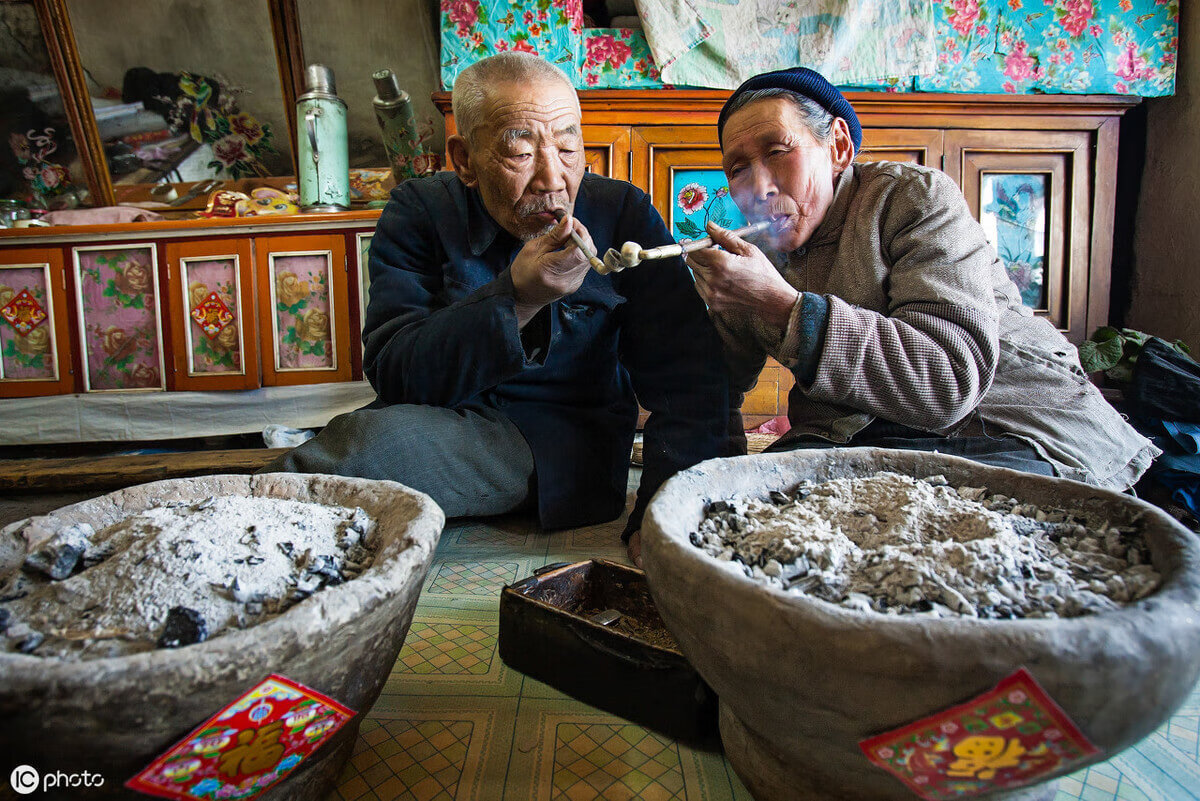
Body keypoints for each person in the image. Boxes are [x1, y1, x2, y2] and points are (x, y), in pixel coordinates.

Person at [269, 53, 730, 557]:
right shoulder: (419, 211)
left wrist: (660, 514)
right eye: (521, 152)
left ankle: (263, 523)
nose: (553, 179)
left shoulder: (621, 213)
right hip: (435, 412)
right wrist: (517, 298)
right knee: (362, 439)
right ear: (464, 159)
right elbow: (394, 372)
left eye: (568, 147)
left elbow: (690, 377)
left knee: (367, 450)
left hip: (559, 438)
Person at [687, 67, 1157, 496]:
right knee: (746, 507)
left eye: (777, 151)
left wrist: (782, 308)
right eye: (738, 168)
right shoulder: (753, 259)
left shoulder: (911, 198)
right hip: (851, 439)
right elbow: (709, 387)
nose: (760, 186)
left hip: (1004, 425)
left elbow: (948, 382)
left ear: (838, 148)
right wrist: (695, 488)